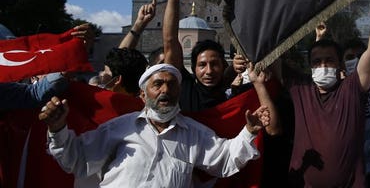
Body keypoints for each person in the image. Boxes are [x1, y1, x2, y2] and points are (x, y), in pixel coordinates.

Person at [39, 63, 270, 187]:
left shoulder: (194, 133)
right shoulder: (119, 128)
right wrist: (58, 128)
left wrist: (249, 131)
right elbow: (78, 160)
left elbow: (225, 158)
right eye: (157, 84)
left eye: (171, 85)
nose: (165, 91)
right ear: (143, 94)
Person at [284, 0, 370, 187]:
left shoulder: (352, 88)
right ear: (309, 67)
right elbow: (276, 55)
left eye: (329, 61)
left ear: (340, 65)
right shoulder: (301, 90)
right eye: (317, 62)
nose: (323, 66)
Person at [163, 0, 230, 111]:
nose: (209, 71)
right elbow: (170, 40)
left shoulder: (233, 96)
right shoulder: (186, 90)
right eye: (202, 65)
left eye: (214, 64)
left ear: (224, 66)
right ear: (193, 68)